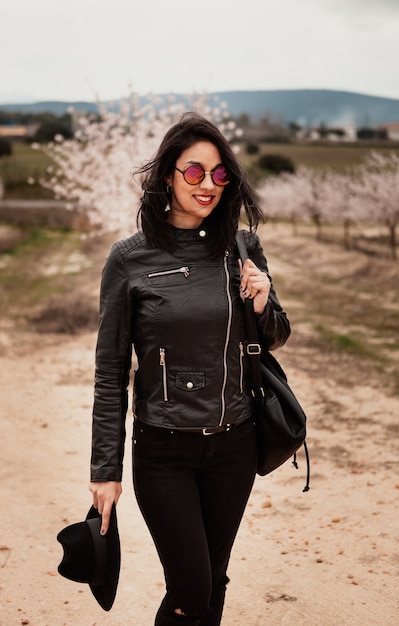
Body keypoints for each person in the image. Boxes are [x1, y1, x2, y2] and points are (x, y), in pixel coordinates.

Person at [89, 112, 291, 625]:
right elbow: (111, 371)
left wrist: (264, 303)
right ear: (167, 177)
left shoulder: (240, 250)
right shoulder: (130, 259)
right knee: (191, 587)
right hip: (164, 452)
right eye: (194, 172)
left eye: (220, 174)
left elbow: (275, 337)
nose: (208, 185)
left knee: (213, 581)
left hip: (234, 446)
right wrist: (104, 471)